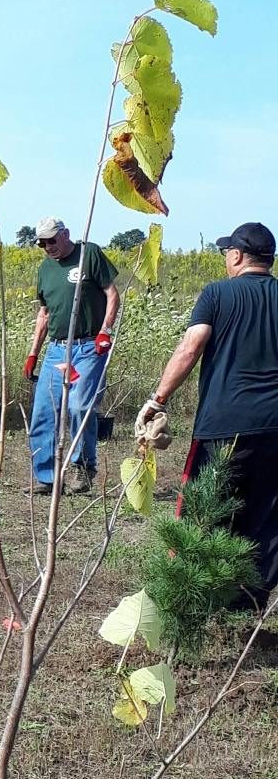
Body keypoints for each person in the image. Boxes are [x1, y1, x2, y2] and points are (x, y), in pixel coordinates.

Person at [140, 221, 278, 607]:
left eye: (226, 254)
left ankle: (188, 605)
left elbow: (190, 347)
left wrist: (158, 399)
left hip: (224, 424)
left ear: (236, 256)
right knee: (265, 520)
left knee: (202, 514)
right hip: (275, 428)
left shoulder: (217, 294)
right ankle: (245, 607)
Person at [24, 218, 120, 494]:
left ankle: (83, 466)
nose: (47, 247)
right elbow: (44, 314)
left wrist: (106, 331)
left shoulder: (89, 253)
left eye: (51, 240)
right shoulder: (44, 270)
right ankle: (47, 477)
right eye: (41, 243)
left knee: (79, 406)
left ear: (65, 235)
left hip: (90, 346)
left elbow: (112, 294)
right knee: (43, 411)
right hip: (56, 348)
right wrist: (33, 354)